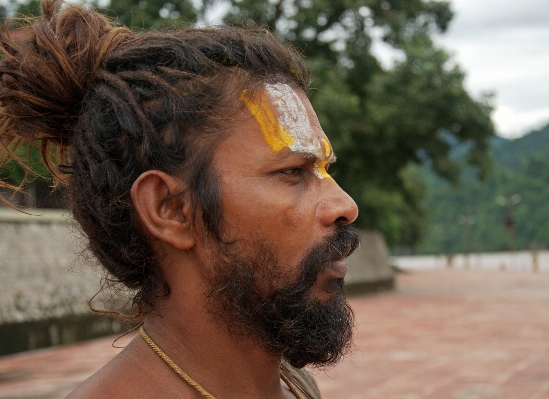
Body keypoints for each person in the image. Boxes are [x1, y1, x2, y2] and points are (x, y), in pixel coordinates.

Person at [0, 1, 360, 398]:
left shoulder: (294, 386)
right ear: (170, 210)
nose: (345, 205)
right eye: (293, 172)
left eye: (326, 169)